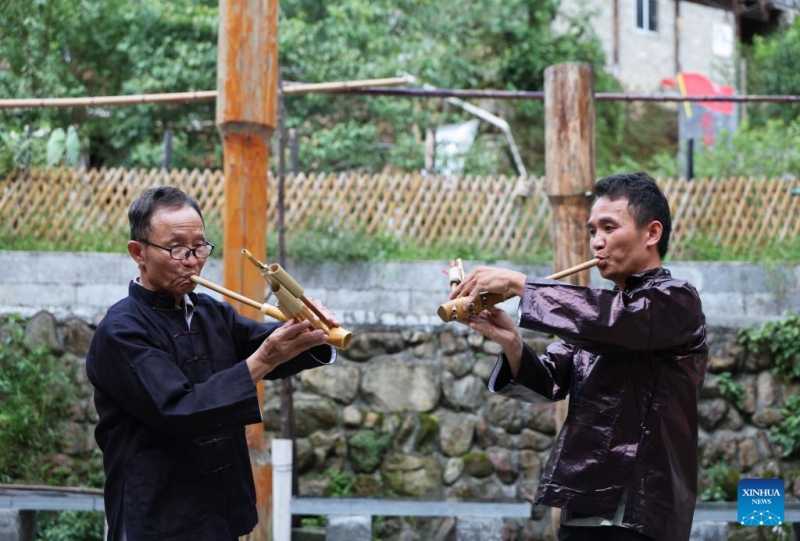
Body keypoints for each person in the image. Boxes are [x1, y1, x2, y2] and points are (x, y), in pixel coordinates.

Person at [450, 172, 708, 541]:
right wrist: (511, 342)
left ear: (651, 234)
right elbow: (550, 383)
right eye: (592, 231)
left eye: (608, 228)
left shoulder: (676, 300)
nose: (597, 243)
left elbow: (616, 321)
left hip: (641, 512)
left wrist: (522, 284)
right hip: (584, 509)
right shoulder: (594, 318)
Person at [86, 186, 336, 541]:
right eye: (176, 247)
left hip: (218, 514)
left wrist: (313, 330)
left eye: (199, 246)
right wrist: (263, 360)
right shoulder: (121, 331)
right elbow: (179, 408)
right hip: (156, 516)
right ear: (138, 252)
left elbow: (265, 341)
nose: (191, 259)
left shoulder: (210, 311)